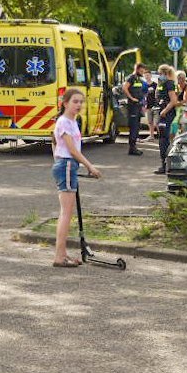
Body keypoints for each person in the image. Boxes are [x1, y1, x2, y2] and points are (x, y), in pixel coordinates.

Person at [50, 87, 104, 267]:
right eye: (75, 101)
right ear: (65, 103)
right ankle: (59, 257)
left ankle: (63, 254)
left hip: (68, 165)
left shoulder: (72, 121)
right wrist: (90, 166)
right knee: (66, 213)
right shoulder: (64, 122)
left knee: (67, 212)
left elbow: (55, 143)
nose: (79, 105)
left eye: (81, 102)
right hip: (66, 164)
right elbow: (72, 150)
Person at [154, 71, 187, 174]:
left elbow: (175, 100)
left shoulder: (170, 84)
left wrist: (165, 110)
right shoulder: (167, 84)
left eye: (162, 73)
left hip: (170, 115)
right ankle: (166, 164)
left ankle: (167, 165)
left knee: (165, 140)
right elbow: (158, 96)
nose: (160, 75)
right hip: (167, 114)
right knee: (165, 139)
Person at [122, 62, 151, 157]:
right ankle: (132, 148)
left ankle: (133, 147)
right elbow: (125, 88)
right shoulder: (131, 78)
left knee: (137, 126)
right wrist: (131, 98)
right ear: (137, 69)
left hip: (138, 106)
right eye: (141, 70)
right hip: (133, 106)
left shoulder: (139, 79)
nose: (143, 72)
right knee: (134, 126)